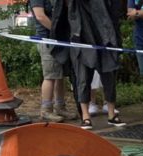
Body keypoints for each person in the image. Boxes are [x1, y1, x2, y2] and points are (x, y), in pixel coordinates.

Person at [51, 0, 125, 129]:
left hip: (104, 34)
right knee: (82, 78)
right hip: (81, 35)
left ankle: (112, 115)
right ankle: (85, 117)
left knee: (109, 76)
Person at [31, 0, 73, 122]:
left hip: (59, 40)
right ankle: (46, 110)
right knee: (50, 75)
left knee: (59, 75)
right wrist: (57, 32)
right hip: (47, 40)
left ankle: (60, 107)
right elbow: (40, 16)